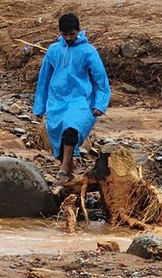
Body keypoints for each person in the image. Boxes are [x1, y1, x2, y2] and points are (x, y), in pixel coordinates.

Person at [33, 12, 110, 180]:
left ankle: (62, 169)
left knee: (71, 130)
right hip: (56, 101)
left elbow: (100, 80)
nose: (68, 38)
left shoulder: (88, 51)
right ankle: (68, 175)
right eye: (65, 34)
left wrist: (100, 103)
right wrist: (40, 106)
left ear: (79, 30)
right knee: (60, 139)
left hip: (80, 101)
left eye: (72, 34)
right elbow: (44, 79)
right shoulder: (54, 50)